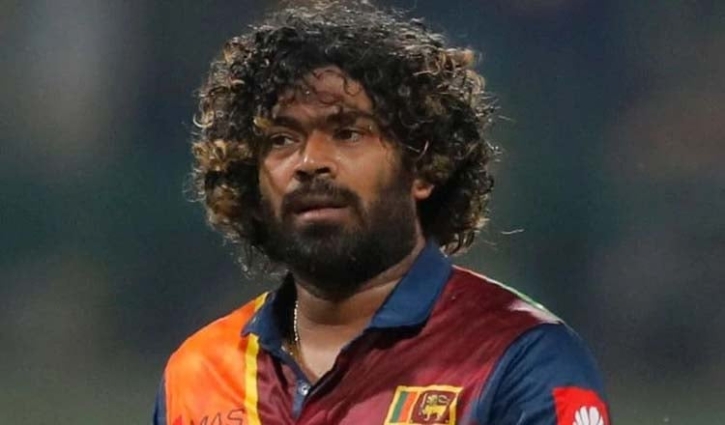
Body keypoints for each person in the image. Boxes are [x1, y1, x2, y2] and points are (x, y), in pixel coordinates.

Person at [153, 2, 610, 424]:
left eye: (347, 133)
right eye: (281, 139)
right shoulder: (198, 372)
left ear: (423, 167)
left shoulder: (520, 356)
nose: (310, 161)